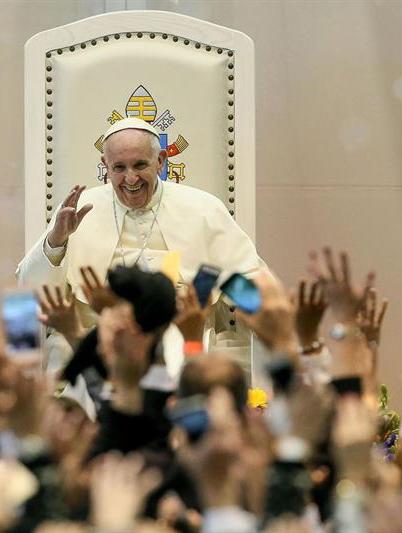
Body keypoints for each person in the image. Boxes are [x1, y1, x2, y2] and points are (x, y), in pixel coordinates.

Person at [16, 117, 265, 375]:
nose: (131, 179)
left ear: (160, 161)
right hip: (95, 342)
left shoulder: (203, 209)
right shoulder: (79, 210)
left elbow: (245, 279)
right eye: (119, 168)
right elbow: (29, 288)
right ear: (105, 166)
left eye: (140, 165)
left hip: (181, 336)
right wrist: (56, 242)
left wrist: (254, 302)